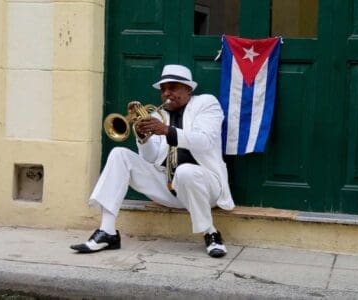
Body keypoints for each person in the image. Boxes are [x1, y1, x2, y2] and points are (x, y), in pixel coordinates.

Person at [70, 64, 235, 258]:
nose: (167, 93)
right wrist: (143, 138)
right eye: (163, 89)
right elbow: (149, 158)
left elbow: (205, 141)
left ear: (188, 89)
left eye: (173, 88)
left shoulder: (206, 104)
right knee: (119, 154)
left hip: (206, 188)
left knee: (186, 171)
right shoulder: (158, 116)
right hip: (169, 187)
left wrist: (167, 131)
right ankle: (108, 231)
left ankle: (211, 233)